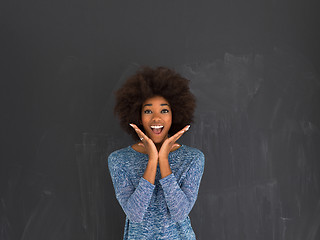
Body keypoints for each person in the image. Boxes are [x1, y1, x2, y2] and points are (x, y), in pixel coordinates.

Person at [108, 66, 205, 239]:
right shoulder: (118, 160)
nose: (156, 118)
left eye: (164, 110)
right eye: (148, 111)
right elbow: (135, 215)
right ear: (138, 117)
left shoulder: (193, 159)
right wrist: (153, 159)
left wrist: (164, 160)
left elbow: (179, 213)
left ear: (174, 115)